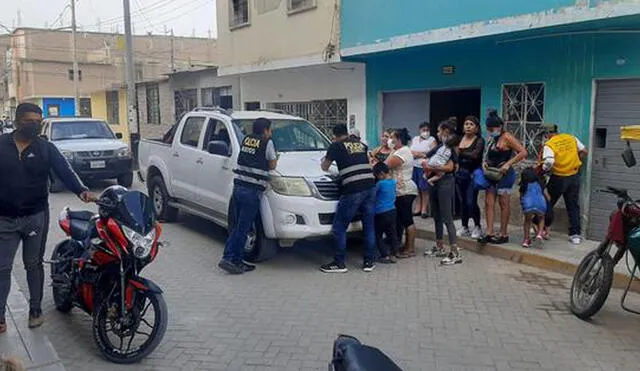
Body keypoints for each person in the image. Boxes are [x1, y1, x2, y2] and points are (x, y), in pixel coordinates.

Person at [0, 103, 97, 335]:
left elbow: (65, 170)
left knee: (33, 265)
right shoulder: (2, 145)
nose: (34, 125)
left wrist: (81, 190)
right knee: (2, 269)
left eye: (38, 122)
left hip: (35, 217)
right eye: (28, 121)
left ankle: (35, 310)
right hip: (4, 219)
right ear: (17, 121)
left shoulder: (45, 148)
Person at [218, 117, 278, 275]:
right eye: (270, 129)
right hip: (252, 191)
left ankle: (232, 257)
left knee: (238, 227)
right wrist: (276, 158)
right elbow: (272, 164)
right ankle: (231, 260)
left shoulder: (246, 139)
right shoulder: (267, 143)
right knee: (243, 228)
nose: (270, 133)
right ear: (265, 130)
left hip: (239, 188)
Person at [320, 124, 377, 273]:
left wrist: (327, 161)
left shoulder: (336, 146)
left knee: (339, 226)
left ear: (335, 135)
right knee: (369, 226)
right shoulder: (361, 145)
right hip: (370, 187)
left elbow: (324, 167)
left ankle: (339, 263)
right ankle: (369, 262)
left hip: (353, 189)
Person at [481, 109, 527, 244]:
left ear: (499, 127)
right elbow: (488, 153)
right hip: (491, 173)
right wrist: (484, 162)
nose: (490, 130)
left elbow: (523, 152)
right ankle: (489, 232)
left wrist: (508, 164)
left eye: (492, 128)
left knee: (503, 204)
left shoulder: (507, 137)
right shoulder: (492, 138)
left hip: (504, 175)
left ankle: (503, 233)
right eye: (488, 128)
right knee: (489, 203)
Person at [539, 124, 588, 245]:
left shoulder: (549, 145)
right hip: (574, 176)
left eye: (544, 135)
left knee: (547, 202)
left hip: (559, 178)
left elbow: (549, 161)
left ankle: (542, 228)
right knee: (573, 205)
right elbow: (584, 151)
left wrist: (544, 169)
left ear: (547, 134)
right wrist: (576, 160)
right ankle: (575, 235)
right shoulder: (571, 138)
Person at [422, 121, 461, 265]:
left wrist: (432, 165)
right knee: (437, 216)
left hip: (445, 183)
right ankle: (439, 247)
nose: (437, 134)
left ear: (445, 131)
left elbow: (451, 167)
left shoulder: (452, 148)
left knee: (447, 217)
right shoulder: (440, 146)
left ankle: (455, 252)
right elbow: (428, 155)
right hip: (434, 181)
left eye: (439, 131)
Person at [385, 128, 418, 258]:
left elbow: (386, 165)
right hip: (399, 190)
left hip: (405, 190)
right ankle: (404, 245)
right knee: (401, 219)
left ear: (398, 140)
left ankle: (410, 249)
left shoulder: (402, 152)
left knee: (406, 219)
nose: (389, 140)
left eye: (392, 137)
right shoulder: (397, 151)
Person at [456, 116, 485, 239]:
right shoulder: (459, 140)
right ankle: (464, 226)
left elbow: (475, 155)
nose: (468, 126)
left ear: (476, 128)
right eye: (466, 124)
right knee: (462, 202)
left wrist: (460, 152)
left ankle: (477, 226)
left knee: (471, 202)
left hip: (472, 175)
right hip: (459, 175)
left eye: (471, 124)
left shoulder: (479, 140)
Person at [410, 122, 437, 218]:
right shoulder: (415, 139)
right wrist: (423, 154)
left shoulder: (431, 139)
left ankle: (424, 209)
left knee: (424, 188)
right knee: (416, 187)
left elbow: (433, 152)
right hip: (414, 166)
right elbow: (410, 151)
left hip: (424, 167)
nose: (425, 132)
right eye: (423, 130)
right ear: (419, 130)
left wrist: (420, 154)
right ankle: (417, 207)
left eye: (427, 130)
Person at [373, 162, 398, 264]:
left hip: (380, 212)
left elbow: (373, 195)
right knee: (392, 233)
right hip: (392, 210)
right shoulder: (393, 182)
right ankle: (393, 254)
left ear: (382, 174)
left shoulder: (380, 184)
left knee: (377, 234)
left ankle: (385, 255)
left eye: (377, 175)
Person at [519, 167, 549, 248]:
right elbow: (547, 196)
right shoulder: (541, 183)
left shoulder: (524, 185)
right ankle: (539, 233)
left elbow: (521, 196)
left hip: (528, 205)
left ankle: (526, 239)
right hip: (540, 204)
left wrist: (523, 206)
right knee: (541, 218)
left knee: (527, 220)